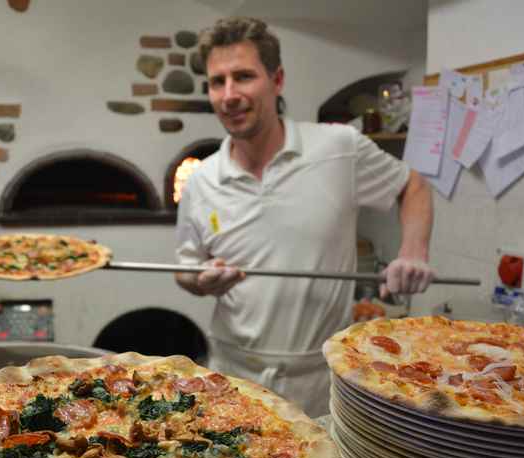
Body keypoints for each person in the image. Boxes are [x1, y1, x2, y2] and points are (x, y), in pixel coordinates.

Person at [174, 16, 434, 417]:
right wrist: (201, 279)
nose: (228, 94)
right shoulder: (201, 179)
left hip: (321, 379)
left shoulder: (338, 149)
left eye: (243, 77)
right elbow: (185, 270)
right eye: (216, 82)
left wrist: (412, 252)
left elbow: (412, 185)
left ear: (277, 80)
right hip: (231, 377)